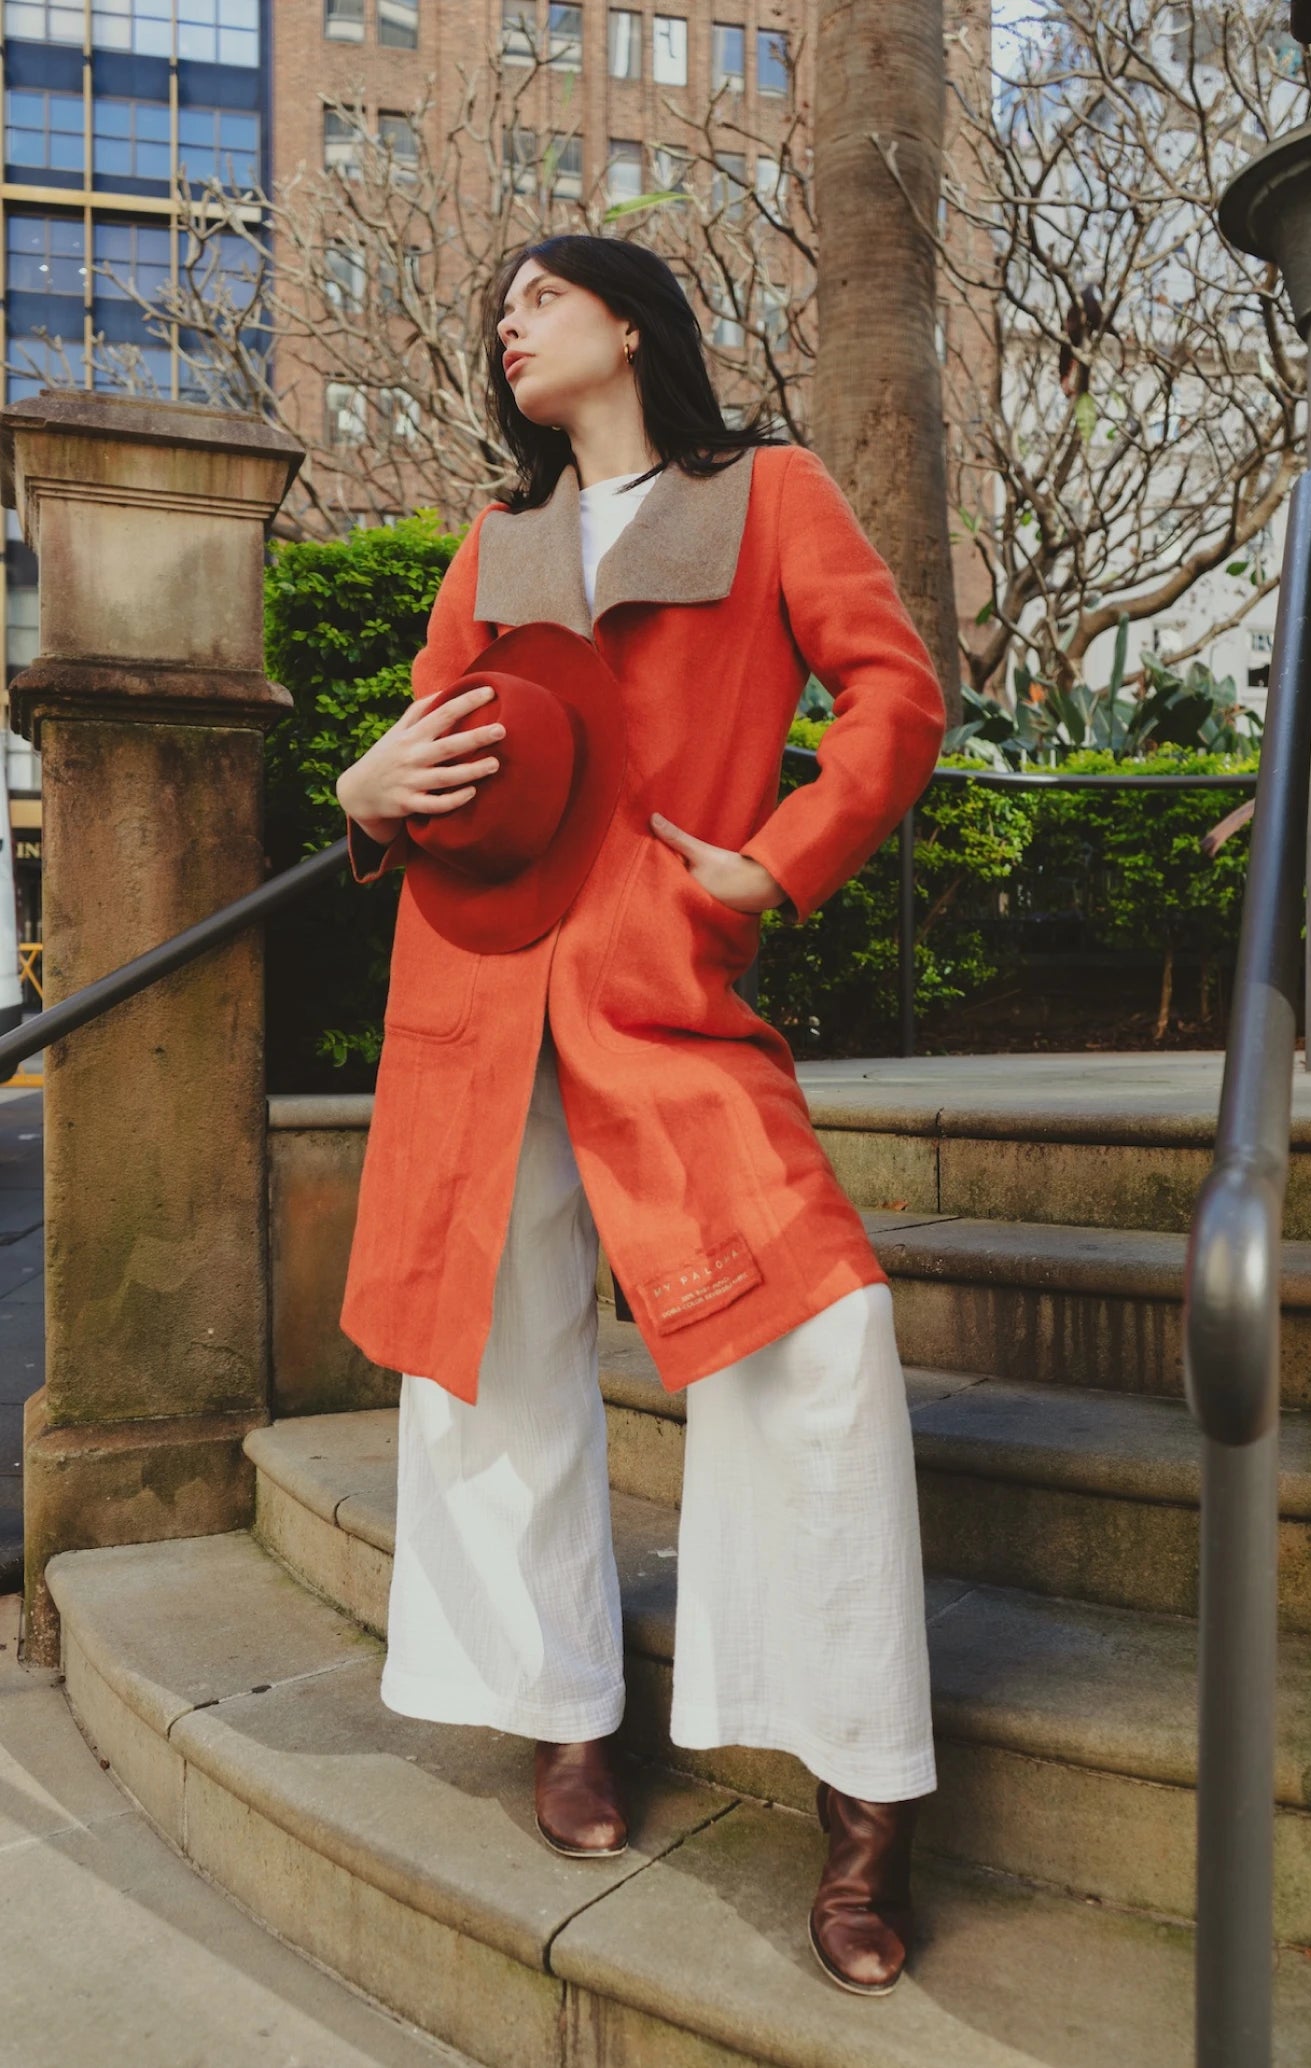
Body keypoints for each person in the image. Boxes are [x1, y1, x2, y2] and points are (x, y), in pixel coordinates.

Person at [334, 234, 946, 1997]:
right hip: (475, 986)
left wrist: (782, 856)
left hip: (663, 988)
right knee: (501, 1359)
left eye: (537, 293)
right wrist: (370, 792)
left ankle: (858, 1785)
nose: (507, 319)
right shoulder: (495, 541)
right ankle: (559, 1708)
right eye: (497, 308)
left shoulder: (771, 495)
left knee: (821, 1340)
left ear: (631, 323)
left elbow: (892, 692)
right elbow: (435, 748)